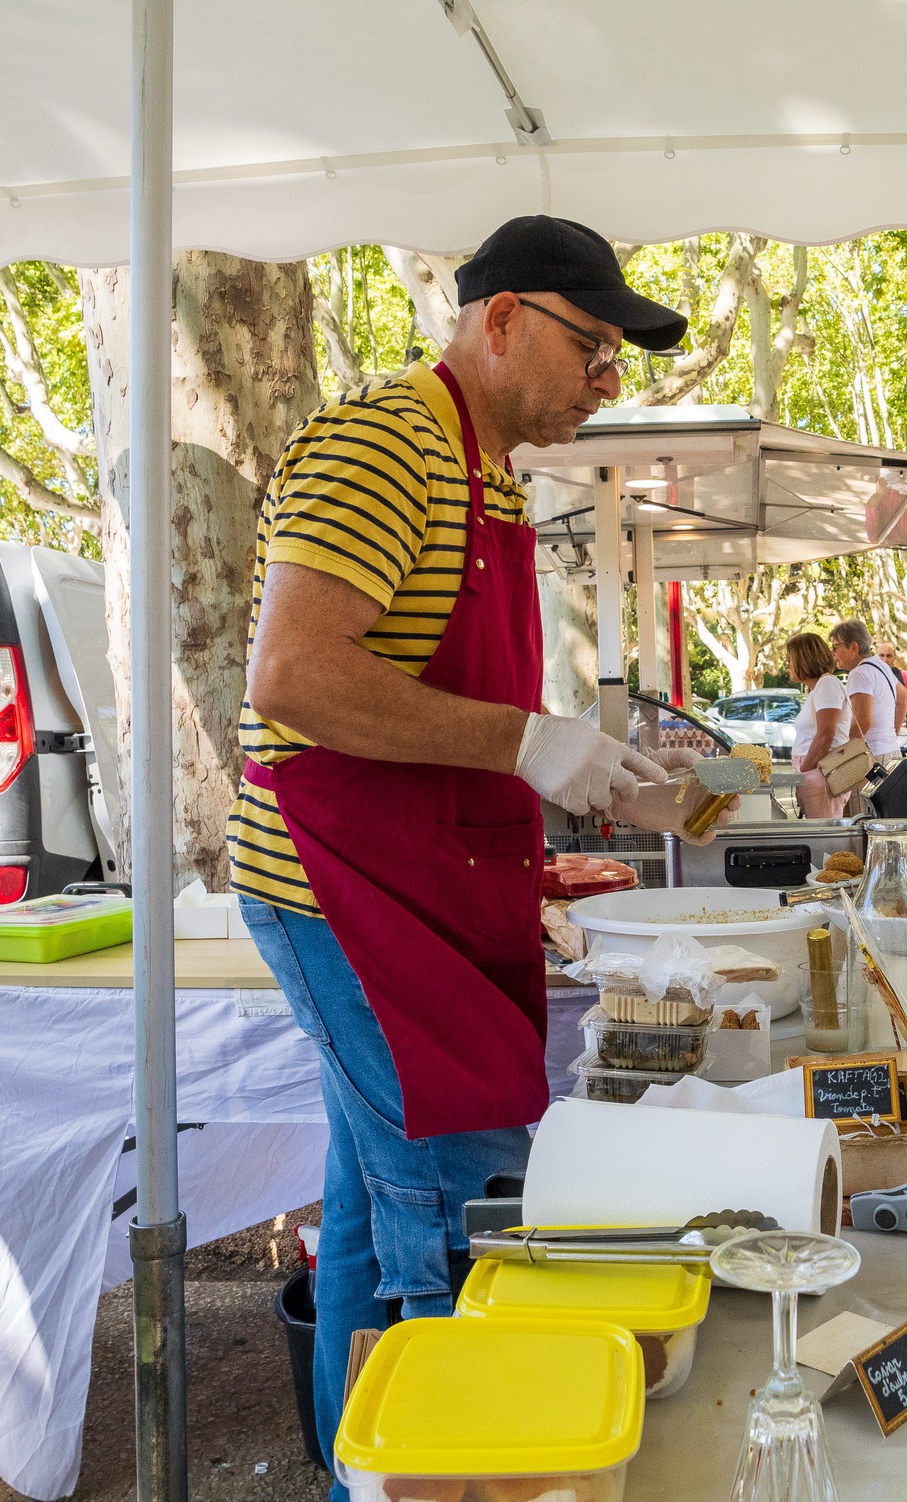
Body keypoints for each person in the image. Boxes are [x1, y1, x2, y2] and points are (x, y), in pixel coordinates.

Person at [228, 214, 712, 1490]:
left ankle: (360, 1473)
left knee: (365, 1203)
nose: (607, 380)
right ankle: (454, 1466)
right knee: (444, 1204)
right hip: (339, 887)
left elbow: (446, 709)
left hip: (428, 882)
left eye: (617, 357)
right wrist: (521, 742)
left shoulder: (491, 472)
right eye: (592, 347)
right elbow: (294, 676)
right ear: (500, 319)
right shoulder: (386, 437)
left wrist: (600, 781)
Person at [787, 632, 851, 817]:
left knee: (822, 837)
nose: (788, 665)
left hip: (821, 772)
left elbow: (826, 734)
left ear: (803, 659)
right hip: (817, 771)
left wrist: (806, 769)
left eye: (791, 659)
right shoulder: (820, 688)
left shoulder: (827, 684)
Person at [831, 619, 901, 761]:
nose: (833, 653)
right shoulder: (880, 665)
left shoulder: (859, 673)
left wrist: (842, 756)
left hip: (874, 754)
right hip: (891, 750)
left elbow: (862, 723)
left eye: (836, 647)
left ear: (854, 647)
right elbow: (903, 696)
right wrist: (890, 735)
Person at [877, 641, 907, 757]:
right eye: (881, 655)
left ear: (894, 658)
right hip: (878, 732)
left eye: (889, 656)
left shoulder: (903, 676)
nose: (885, 659)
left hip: (901, 733)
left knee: (904, 769)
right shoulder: (870, 675)